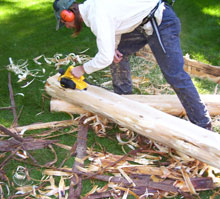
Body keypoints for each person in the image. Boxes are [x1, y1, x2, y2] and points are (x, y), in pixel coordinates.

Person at [53, 0, 212, 130]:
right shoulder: (93, 9)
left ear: (68, 14)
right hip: (141, 24)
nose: (67, 26)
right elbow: (115, 27)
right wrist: (114, 47)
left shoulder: (96, 15)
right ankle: (124, 100)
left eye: (64, 22)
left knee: (175, 75)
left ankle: (202, 123)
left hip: (160, 22)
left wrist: (81, 69)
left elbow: (104, 57)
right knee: (118, 55)